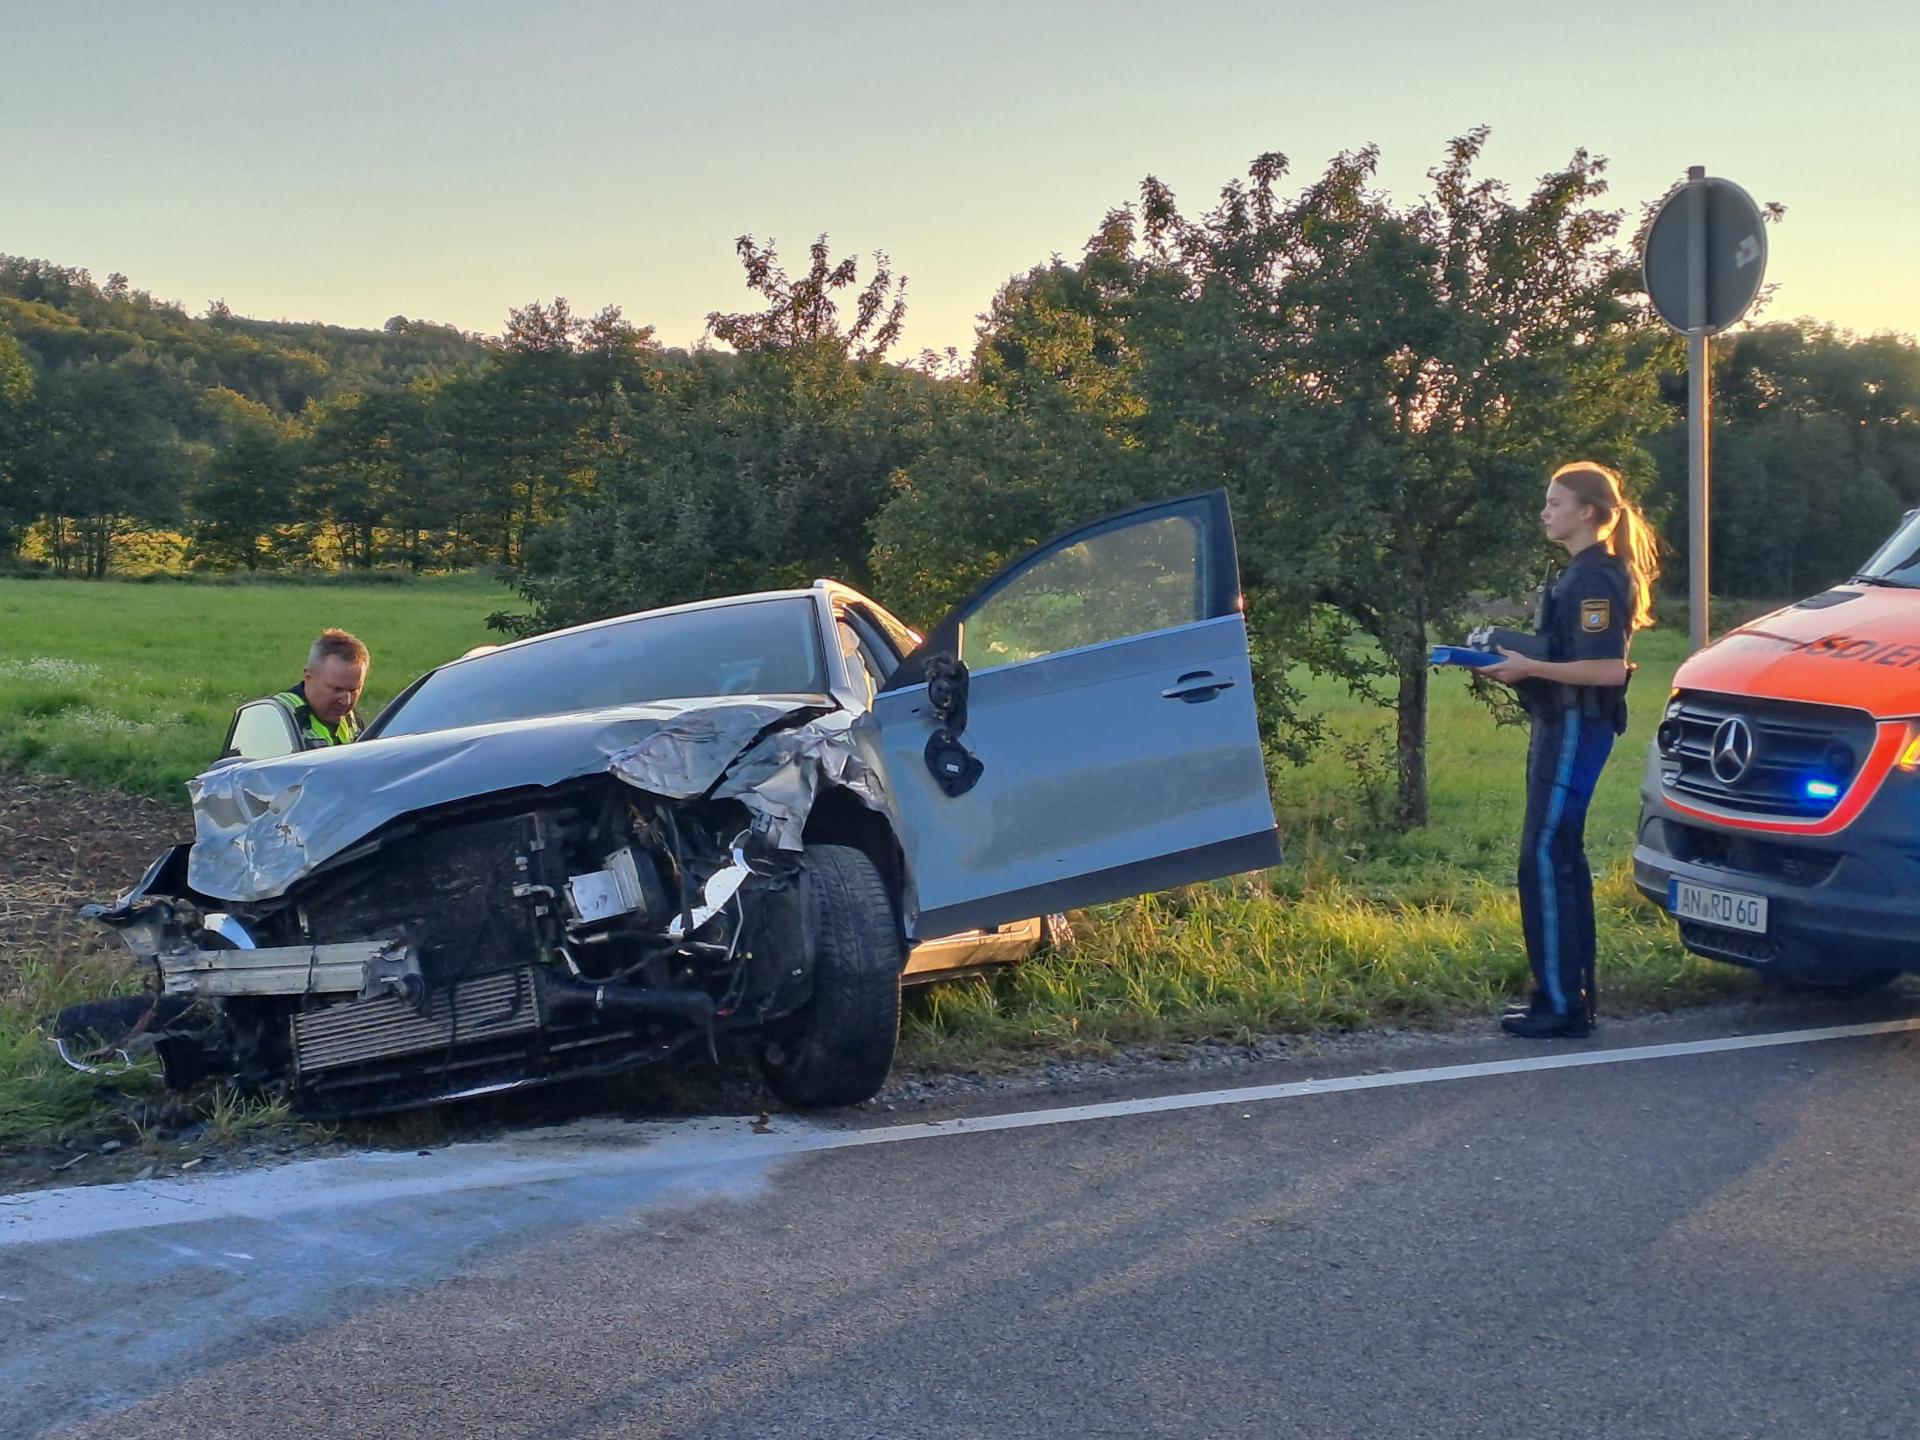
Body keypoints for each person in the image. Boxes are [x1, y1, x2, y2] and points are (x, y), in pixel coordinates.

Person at [1481, 463, 1659, 1039]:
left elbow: (1607, 669)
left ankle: (1561, 1004)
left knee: (1546, 856)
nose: (1545, 512)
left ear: (1587, 512)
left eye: (1555, 502)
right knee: (1555, 856)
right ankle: (1565, 998)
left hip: (1579, 726)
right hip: (1563, 723)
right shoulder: (1581, 573)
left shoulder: (1596, 578)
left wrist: (1529, 666)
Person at [267, 628, 369, 749]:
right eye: (337, 689)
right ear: (308, 677)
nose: (345, 701)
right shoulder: (275, 719)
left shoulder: (353, 723)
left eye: (353, 690)